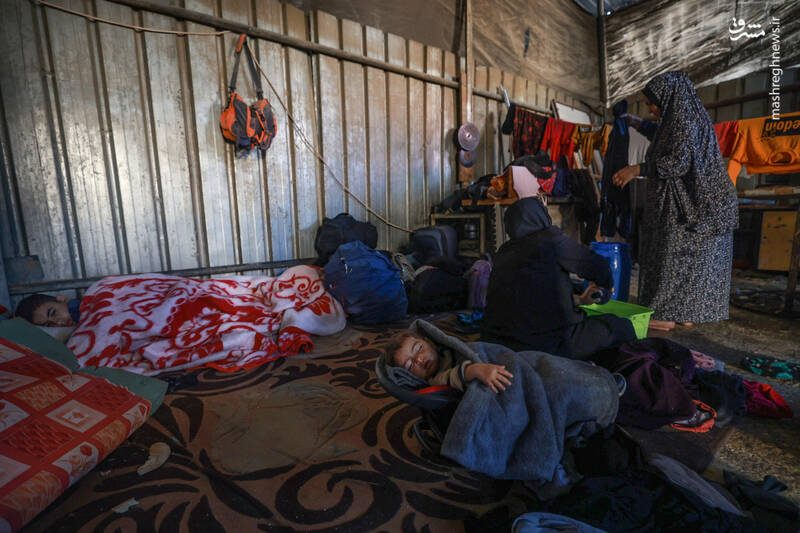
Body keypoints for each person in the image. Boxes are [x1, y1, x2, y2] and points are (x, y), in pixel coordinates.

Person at [611, 71, 738, 331]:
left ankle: (664, 314)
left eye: (652, 103)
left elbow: (678, 161)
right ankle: (684, 312)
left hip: (699, 203)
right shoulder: (685, 116)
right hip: (702, 202)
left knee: (672, 254)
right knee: (689, 260)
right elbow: (667, 138)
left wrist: (637, 169)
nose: (651, 109)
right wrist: (639, 124)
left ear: (668, 98)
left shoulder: (685, 120)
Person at [480, 196, 636, 360]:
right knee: (620, 326)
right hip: (546, 343)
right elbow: (597, 266)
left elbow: (530, 298)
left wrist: (580, 300)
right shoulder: (550, 241)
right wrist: (607, 286)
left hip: (497, 343)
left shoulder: (503, 252)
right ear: (541, 217)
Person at [386, 330, 514, 393]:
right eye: (410, 365)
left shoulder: (444, 350)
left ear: (429, 341)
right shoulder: (435, 380)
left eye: (419, 348)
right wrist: (474, 370)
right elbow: (452, 376)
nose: (419, 359)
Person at [14, 293, 80, 327]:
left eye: (53, 313)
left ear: (62, 299)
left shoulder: (77, 307)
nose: (57, 322)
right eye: (48, 324)